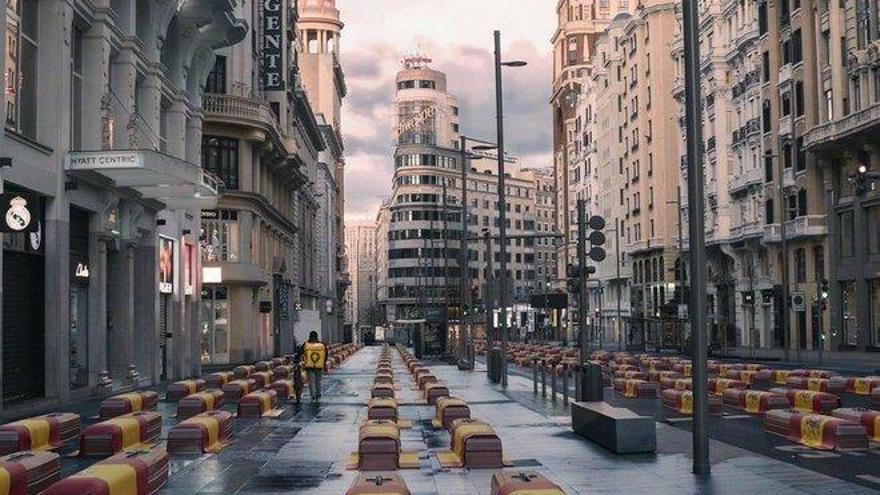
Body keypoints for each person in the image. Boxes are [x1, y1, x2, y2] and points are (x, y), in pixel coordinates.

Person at [297, 331, 327, 402]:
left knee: (311, 382)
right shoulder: (322, 345)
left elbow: (299, 352)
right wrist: (324, 363)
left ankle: (313, 396)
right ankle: (318, 394)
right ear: (317, 336)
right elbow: (325, 355)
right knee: (318, 381)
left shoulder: (306, 344)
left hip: (309, 366)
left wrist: (296, 359)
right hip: (319, 366)